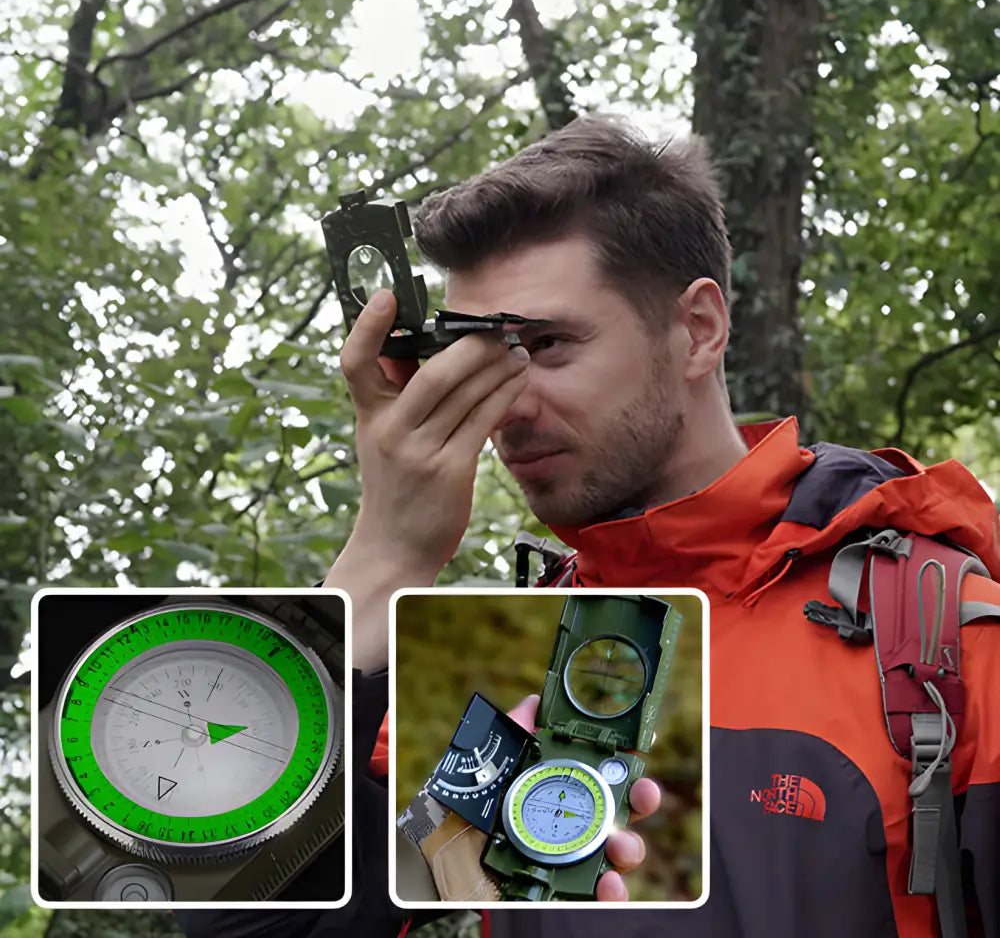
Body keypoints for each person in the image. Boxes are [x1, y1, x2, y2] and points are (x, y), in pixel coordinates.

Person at [186, 115, 1000, 938]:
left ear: (699, 329)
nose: (507, 404)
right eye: (472, 357)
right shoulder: (502, 658)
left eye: (544, 344)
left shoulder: (937, 636)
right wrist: (384, 557)